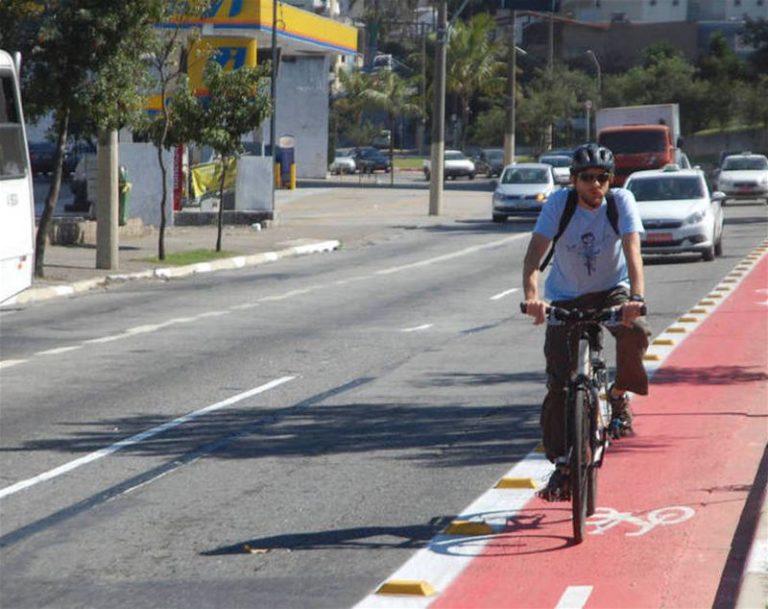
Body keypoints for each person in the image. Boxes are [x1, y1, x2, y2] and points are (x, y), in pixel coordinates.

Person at [521, 143, 651, 501]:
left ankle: (619, 393)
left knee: (636, 331)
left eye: (603, 178)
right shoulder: (558, 205)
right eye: (588, 178)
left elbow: (633, 251)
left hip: (611, 290)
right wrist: (533, 298)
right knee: (559, 385)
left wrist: (636, 299)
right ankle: (563, 464)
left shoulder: (620, 202)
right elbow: (533, 256)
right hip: (565, 295)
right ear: (574, 180)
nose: (597, 185)